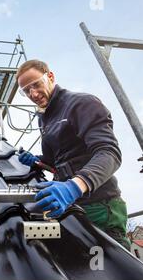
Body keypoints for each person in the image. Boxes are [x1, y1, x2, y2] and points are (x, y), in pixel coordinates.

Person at [17, 59, 130, 250]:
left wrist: (73, 187)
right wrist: (37, 161)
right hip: (71, 205)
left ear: (50, 77)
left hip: (99, 204)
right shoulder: (45, 119)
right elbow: (54, 162)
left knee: (111, 266)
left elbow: (109, 153)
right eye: (26, 91)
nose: (33, 94)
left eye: (36, 85)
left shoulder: (81, 104)